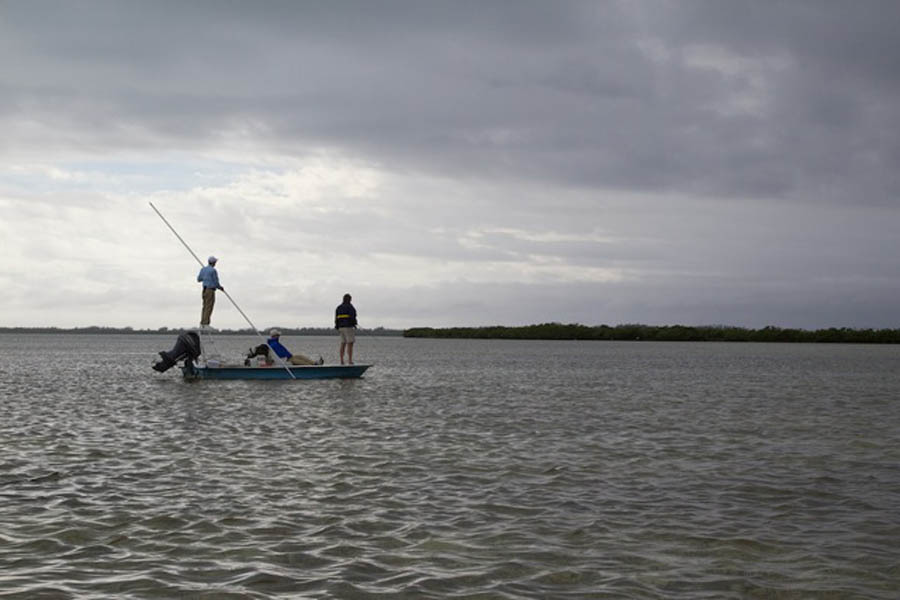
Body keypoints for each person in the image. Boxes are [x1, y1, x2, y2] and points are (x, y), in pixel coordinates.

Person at [197, 256, 224, 327]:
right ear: (214, 263)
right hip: (210, 290)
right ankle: (206, 323)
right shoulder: (213, 270)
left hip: (204, 290)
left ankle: (202, 323)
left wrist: (205, 277)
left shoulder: (203, 269)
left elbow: (199, 279)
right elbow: (216, 282)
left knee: (205, 306)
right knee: (209, 306)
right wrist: (220, 287)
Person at [335, 293, 357, 365]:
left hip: (340, 327)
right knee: (350, 344)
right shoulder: (350, 307)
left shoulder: (338, 307)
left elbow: (336, 318)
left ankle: (341, 360)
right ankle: (350, 361)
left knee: (343, 343)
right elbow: (353, 316)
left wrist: (337, 326)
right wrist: (354, 324)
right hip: (348, 327)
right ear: (350, 299)